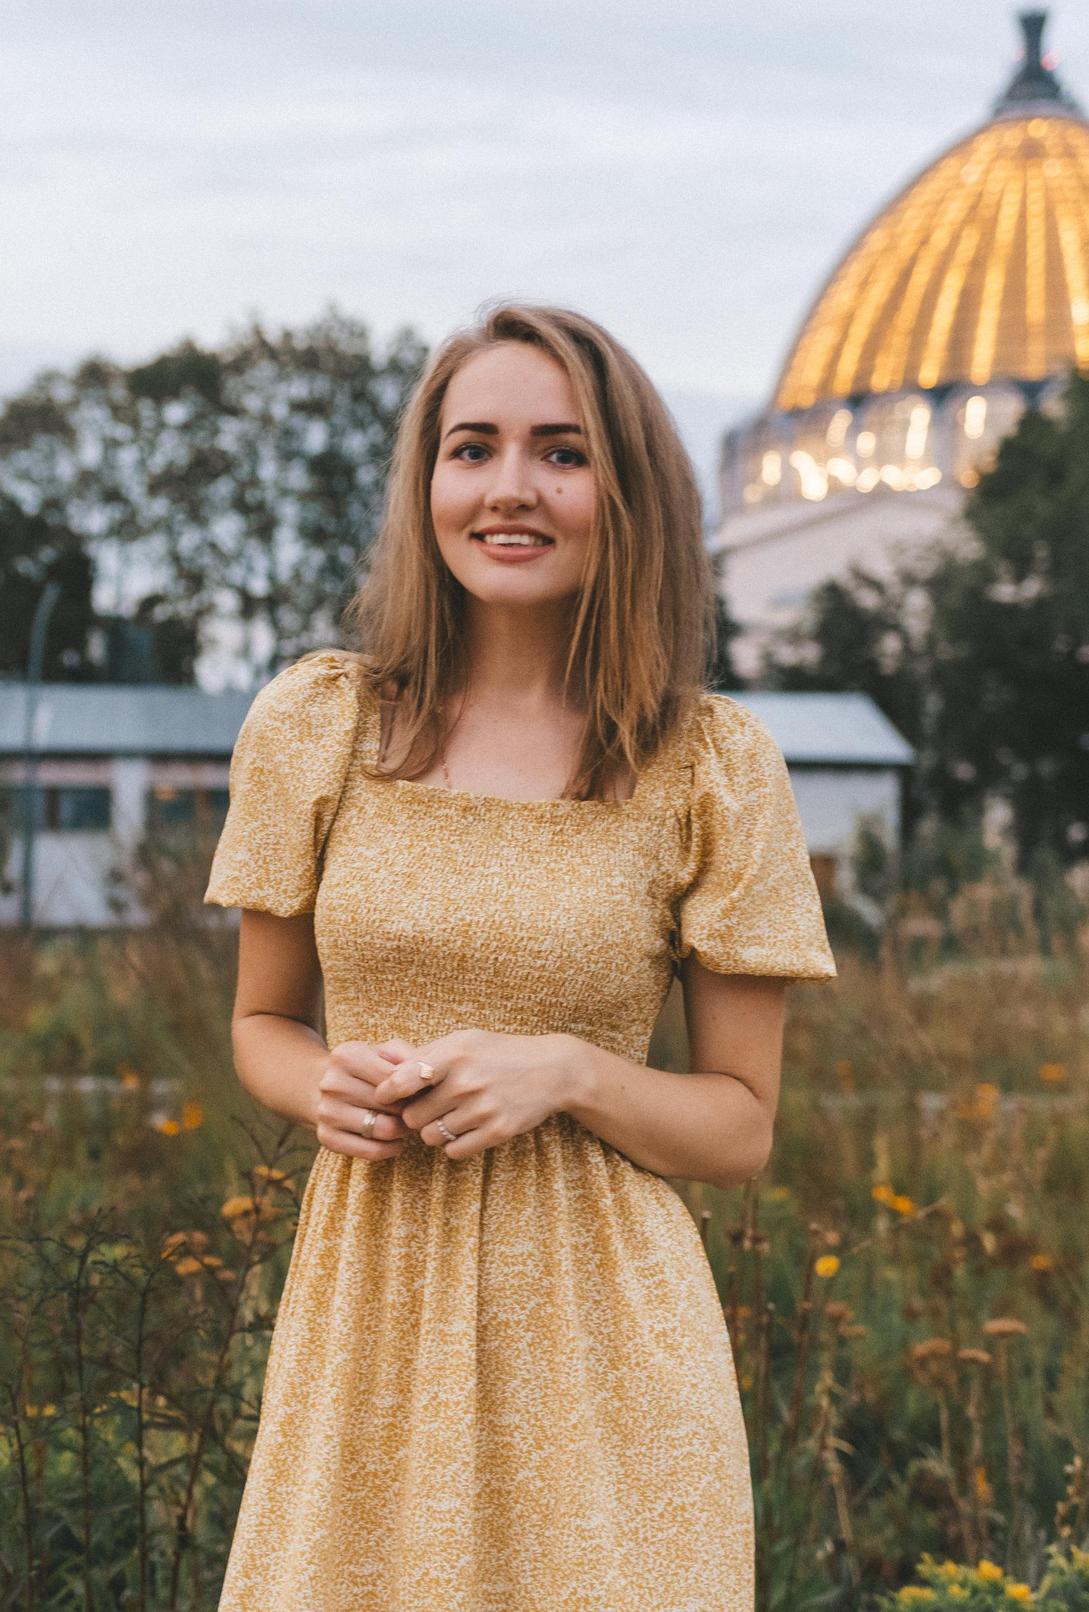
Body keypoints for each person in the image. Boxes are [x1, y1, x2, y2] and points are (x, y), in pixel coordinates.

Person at [203, 302, 836, 1609]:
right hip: (370, 1312)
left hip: (610, 1348)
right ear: (426, 481)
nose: (509, 490)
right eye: (471, 448)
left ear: (628, 488)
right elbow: (262, 1024)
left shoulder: (711, 766)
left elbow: (740, 1129)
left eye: (561, 452)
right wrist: (310, 1082)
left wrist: (570, 1073)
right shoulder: (316, 727)